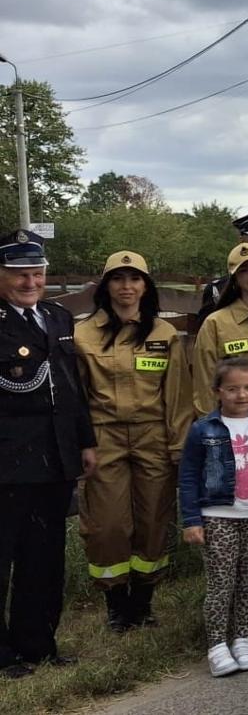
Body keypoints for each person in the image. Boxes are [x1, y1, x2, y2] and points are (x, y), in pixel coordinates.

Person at [74, 251, 192, 632]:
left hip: (153, 436)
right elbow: (77, 396)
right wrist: (82, 442)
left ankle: (143, 602)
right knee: (107, 525)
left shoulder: (163, 334)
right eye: (118, 279)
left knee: (153, 521)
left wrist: (178, 446)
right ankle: (115, 603)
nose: (127, 287)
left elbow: (177, 396)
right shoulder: (82, 335)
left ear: (146, 285)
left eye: (134, 279)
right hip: (103, 436)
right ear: (105, 286)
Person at [0, 230, 97, 678]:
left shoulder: (57, 319)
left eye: (35, 272)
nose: (29, 281)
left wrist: (85, 441)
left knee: (45, 559)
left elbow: (70, 388)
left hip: (55, 460)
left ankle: (38, 643)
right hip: (8, 464)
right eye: (19, 273)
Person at [179, 358, 248, 678]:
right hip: (217, 513)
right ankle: (217, 645)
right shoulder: (203, 429)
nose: (241, 395)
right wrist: (191, 520)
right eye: (232, 389)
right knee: (222, 582)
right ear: (217, 391)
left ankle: (243, 639)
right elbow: (189, 474)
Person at [196, 243, 248, 415]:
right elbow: (205, 384)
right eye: (244, 270)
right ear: (234, 279)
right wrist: (213, 430)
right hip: (236, 426)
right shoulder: (215, 324)